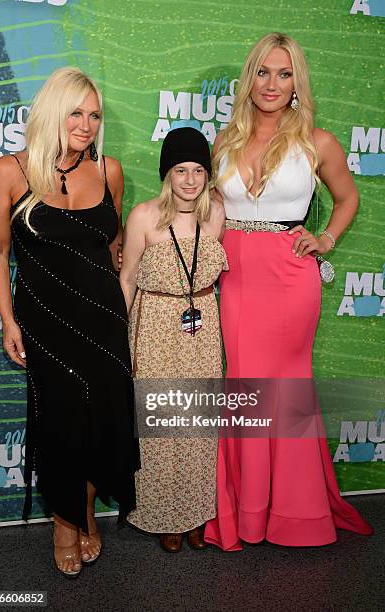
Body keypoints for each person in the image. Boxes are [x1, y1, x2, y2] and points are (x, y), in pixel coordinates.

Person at [204, 33, 373, 550]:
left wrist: (325, 238)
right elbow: (208, 211)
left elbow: (347, 199)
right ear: (248, 78)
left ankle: (294, 512)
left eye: (284, 74)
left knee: (288, 386)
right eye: (263, 72)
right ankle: (246, 511)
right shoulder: (224, 140)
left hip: (290, 274)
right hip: (234, 274)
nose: (272, 84)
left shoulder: (316, 142)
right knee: (245, 383)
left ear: (297, 81)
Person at [0, 67, 139, 576]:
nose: (87, 124)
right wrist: (8, 320)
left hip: (103, 320)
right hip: (46, 321)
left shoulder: (109, 171)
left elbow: (110, 243)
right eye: (77, 112)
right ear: (53, 110)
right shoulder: (11, 171)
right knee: (61, 426)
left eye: (94, 115)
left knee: (103, 426)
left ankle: (85, 509)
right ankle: (64, 522)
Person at [120, 127, 226, 552]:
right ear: (167, 173)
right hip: (156, 328)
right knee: (162, 428)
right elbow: (126, 279)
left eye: (198, 170)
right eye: (180, 170)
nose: (189, 180)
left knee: (199, 427)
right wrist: (118, 340)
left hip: (201, 327)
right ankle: (165, 515)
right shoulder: (144, 216)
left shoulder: (216, 213)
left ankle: (197, 513)